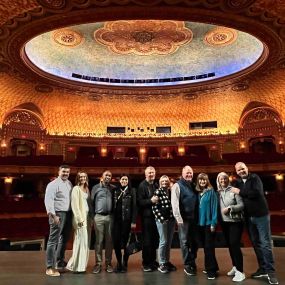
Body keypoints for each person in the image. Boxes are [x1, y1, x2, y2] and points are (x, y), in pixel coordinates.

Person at [232, 162, 279, 285]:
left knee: (265, 244)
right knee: (256, 244)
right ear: (236, 172)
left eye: (243, 169)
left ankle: (271, 272)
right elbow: (233, 193)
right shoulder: (237, 182)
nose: (241, 171)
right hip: (249, 218)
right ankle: (263, 268)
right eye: (238, 170)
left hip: (261, 216)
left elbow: (256, 193)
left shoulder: (255, 178)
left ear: (247, 168)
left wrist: (240, 192)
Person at [44, 165, 73, 277]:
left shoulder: (69, 183)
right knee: (53, 241)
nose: (65, 173)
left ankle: (59, 261)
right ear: (59, 172)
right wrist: (53, 215)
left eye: (67, 172)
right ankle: (49, 267)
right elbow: (48, 201)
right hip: (57, 214)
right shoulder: (53, 184)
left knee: (64, 239)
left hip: (68, 214)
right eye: (64, 171)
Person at [216, 172, 245, 282]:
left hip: (235, 222)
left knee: (234, 244)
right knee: (230, 245)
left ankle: (240, 272)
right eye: (220, 179)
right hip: (224, 223)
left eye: (224, 179)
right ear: (218, 181)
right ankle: (235, 266)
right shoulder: (218, 192)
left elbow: (241, 205)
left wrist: (230, 208)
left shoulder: (234, 190)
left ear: (228, 179)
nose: (223, 181)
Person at [171, 165, 199, 276]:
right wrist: (178, 218)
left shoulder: (193, 185)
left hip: (194, 218)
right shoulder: (177, 185)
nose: (189, 174)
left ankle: (192, 260)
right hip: (184, 219)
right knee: (184, 242)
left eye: (190, 172)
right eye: (187, 172)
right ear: (182, 173)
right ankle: (188, 264)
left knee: (195, 242)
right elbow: (175, 203)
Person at [66, 171, 91, 273]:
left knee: (85, 243)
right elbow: (75, 206)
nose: (83, 178)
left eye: (84, 176)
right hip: (80, 219)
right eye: (81, 177)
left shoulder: (87, 189)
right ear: (78, 178)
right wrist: (79, 220)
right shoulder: (76, 189)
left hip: (87, 218)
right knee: (80, 242)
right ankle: (74, 266)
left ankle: (81, 266)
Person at [91, 170, 115, 274]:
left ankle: (108, 263)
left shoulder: (113, 188)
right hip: (99, 217)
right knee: (99, 241)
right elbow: (91, 203)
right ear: (102, 176)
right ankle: (98, 264)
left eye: (110, 175)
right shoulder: (96, 188)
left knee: (109, 241)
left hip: (109, 217)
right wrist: (93, 217)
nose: (108, 177)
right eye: (106, 175)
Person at [196, 173, 219, 280]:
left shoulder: (211, 192)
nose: (202, 182)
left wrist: (213, 223)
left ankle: (212, 271)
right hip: (200, 224)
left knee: (209, 247)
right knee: (206, 247)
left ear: (207, 181)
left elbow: (214, 209)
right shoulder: (198, 193)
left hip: (209, 224)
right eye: (200, 180)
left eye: (204, 180)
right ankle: (212, 266)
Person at [113, 175, 137, 273]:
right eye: (122, 179)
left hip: (127, 221)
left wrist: (133, 221)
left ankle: (125, 262)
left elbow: (135, 207)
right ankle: (119, 262)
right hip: (116, 222)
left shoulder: (132, 191)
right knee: (116, 243)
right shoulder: (115, 191)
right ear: (119, 181)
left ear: (128, 181)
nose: (124, 181)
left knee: (127, 243)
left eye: (126, 179)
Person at [137, 166, 159, 272]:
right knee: (147, 241)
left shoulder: (155, 184)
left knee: (154, 240)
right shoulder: (142, 185)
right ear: (145, 174)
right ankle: (146, 263)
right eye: (149, 173)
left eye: (153, 172)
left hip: (156, 217)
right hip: (147, 218)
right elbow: (140, 202)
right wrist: (151, 201)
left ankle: (153, 261)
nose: (151, 174)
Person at [152, 175, 176, 273]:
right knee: (163, 241)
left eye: (166, 181)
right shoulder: (158, 192)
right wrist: (162, 219)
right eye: (163, 181)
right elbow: (154, 208)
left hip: (171, 220)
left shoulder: (171, 191)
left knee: (169, 242)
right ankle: (161, 263)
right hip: (161, 220)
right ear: (160, 182)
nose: (165, 183)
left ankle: (166, 261)